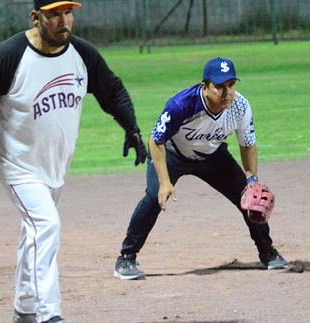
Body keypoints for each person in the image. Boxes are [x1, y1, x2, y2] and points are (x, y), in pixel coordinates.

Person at [0, 0, 147, 323]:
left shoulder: (81, 54)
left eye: (68, 12)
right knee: (46, 225)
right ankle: (49, 315)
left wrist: (131, 129)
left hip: (54, 167)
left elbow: (111, 89)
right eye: (54, 14)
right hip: (18, 166)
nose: (64, 21)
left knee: (33, 232)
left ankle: (23, 306)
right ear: (35, 17)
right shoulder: (10, 55)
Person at [114, 57, 290, 281]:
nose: (226, 93)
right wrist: (165, 182)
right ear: (205, 88)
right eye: (219, 87)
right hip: (172, 153)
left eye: (231, 85)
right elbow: (155, 140)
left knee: (249, 199)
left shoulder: (240, 106)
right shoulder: (182, 105)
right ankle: (126, 258)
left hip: (212, 156)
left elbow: (248, 144)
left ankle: (267, 252)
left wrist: (251, 179)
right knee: (153, 198)